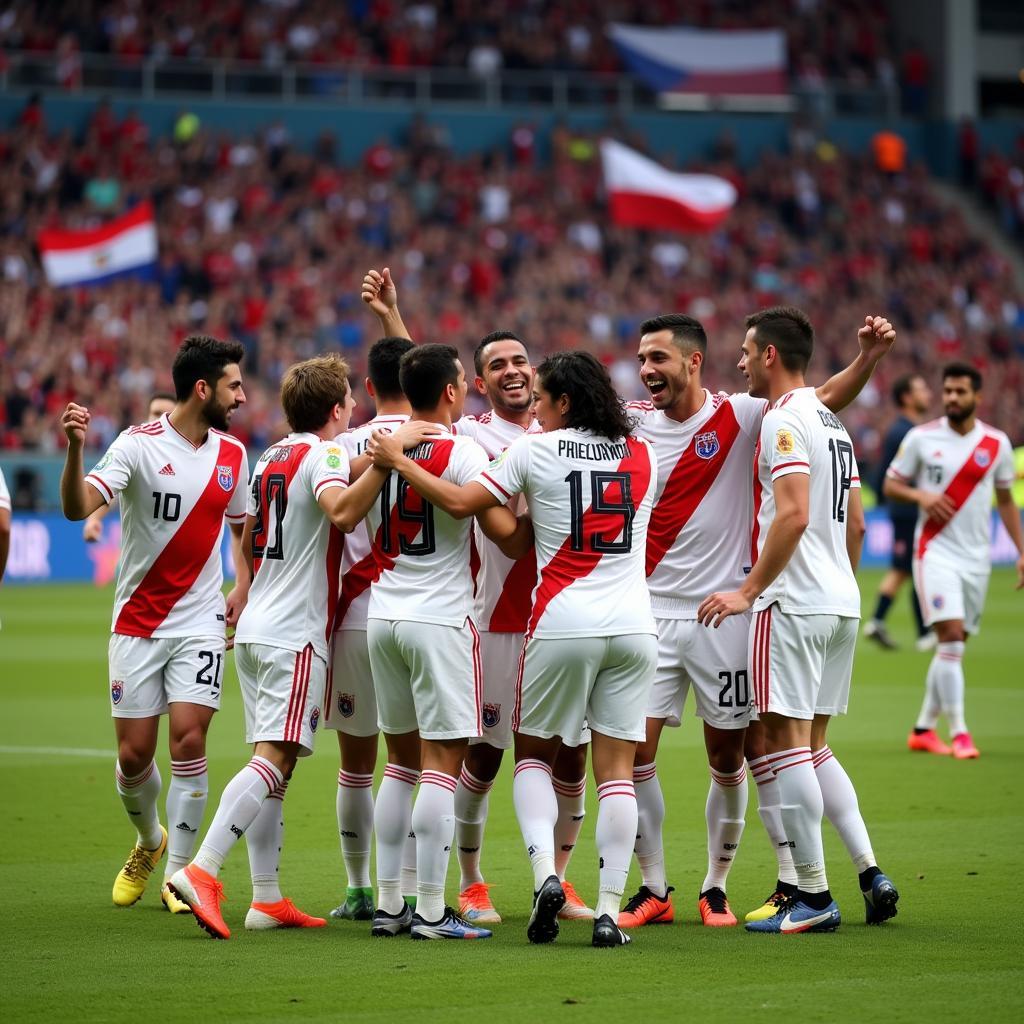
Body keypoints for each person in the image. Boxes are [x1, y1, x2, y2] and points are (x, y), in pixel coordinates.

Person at [369, 351, 658, 949]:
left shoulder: (534, 450)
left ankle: (543, 877)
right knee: (617, 775)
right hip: (634, 625)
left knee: (530, 757)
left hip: (561, 622)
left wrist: (396, 458)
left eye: (546, 402)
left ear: (565, 402)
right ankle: (607, 910)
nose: (538, 412)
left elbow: (461, 505)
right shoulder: (641, 453)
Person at [622, 312, 898, 929]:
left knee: (744, 752)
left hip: (730, 615)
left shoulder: (749, 415)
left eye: (658, 359)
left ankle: (730, 886)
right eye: (641, 360)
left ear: (694, 361)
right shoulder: (631, 421)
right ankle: (654, 887)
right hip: (653, 613)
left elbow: (820, 396)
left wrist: (866, 363)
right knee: (636, 751)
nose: (646, 371)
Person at [362, 267, 594, 924]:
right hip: (490, 618)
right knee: (482, 753)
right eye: (496, 365)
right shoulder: (474, 438)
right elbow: (424, 383)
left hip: (560, 617)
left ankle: (559, 879)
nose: (513, 370)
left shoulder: (568, 432)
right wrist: (393, 320)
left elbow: (424, 391)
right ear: (478, 386)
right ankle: (467, 881)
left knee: (567, 755)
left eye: (522, 359)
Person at [168, 355, 393, 939]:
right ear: (339, 408)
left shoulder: (272, 453)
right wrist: (387, 465)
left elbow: (248, 528)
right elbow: (341, 511)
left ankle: (265, 898)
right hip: (295, 631)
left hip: (257, 625)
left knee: (274, 765)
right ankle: (203, 871)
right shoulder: (328, 454)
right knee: (276, 759)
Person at [60, 335, 250, 913]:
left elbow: (242, 528)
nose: (241, 396)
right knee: (134, 756)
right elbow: (76, 508)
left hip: (199, 620)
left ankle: (178, 877)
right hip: (138, 623)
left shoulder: (233, 455)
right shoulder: (137, 446)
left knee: (191, 738)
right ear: (202, 388)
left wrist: (241, 583)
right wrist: (73, 449)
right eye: (233, 385)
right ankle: (149, 841)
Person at [364, 343, 529, 941]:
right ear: (454, 392)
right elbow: (507, 540)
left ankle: (389, 903)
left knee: (400, 763)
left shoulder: (375, 450)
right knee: (443, 762)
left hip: (383, 615)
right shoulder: (461, 453)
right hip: (440, 619)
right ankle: (433, 910)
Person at [884, 363, 1023, 759]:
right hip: (935, 552)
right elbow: (891, 484)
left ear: (978, 397)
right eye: (947, 391)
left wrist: (1021, 551)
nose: (952, 398)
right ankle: (960, 732)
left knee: (954, 645)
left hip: (976, 559)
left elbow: (1006, 501)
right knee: (950, 640)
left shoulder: (996, 445)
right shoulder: (921, 439)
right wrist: (921, 497)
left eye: (961, 392)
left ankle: (923, 728)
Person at [323, 334, 416, 922]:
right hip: (423, 615)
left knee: (355, 765)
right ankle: (408, 890)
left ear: (370, 388)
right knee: (413, 763)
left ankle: (359, 889)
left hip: (354, 617)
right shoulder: (443, 440)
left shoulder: (337, 449)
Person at [863, 375, 933, 651]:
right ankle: (924, 632)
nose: (928, 393)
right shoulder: (904, 432)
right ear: (907, 397)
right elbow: (888, 475)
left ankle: (884, 622)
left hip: (906, 509)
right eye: (922, 388)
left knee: (907, 569)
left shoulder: (907, 430)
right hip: (906, 510)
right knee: (911, 567)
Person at [82, 393, 177, 543]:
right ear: (147, 417)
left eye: (167, 415)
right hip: (139, 557)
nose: (160, 420)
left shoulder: (189, 455)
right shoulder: (136, 450)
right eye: (156, 413)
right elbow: (109, 491)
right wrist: (93, 520)